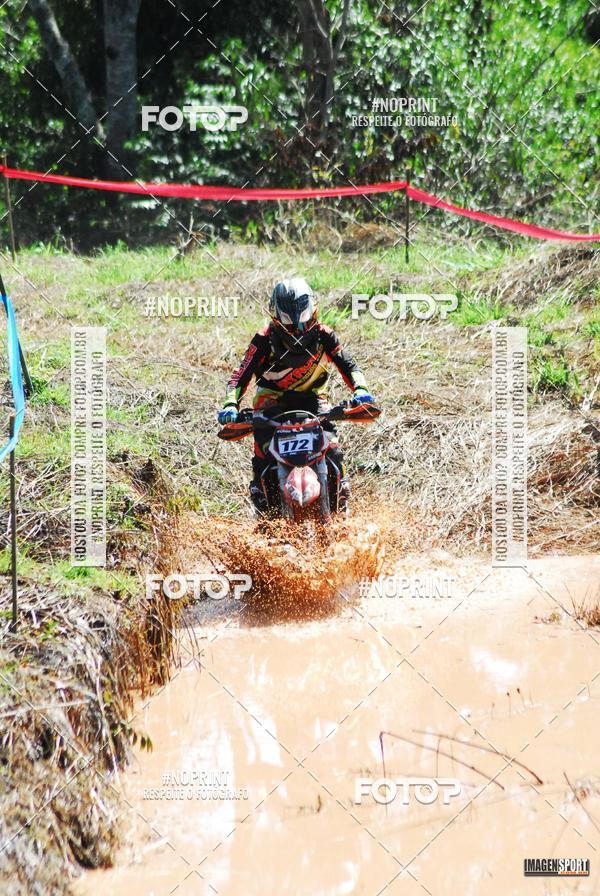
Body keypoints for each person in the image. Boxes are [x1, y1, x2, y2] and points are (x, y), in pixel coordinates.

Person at [217, 278, 375, 513]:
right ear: (277, 319)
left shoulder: (324, 335)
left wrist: (361, 390)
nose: (299, 332)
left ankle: (340, 485)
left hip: (312, 398)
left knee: (330, 441)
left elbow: (349, 365)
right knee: (263, 442)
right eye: (291, 327)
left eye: (304, 324)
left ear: (313, 312)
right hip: (272, 401)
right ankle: (259, 490)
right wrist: (231, 404)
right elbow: (241, 374)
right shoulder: (264, 339)